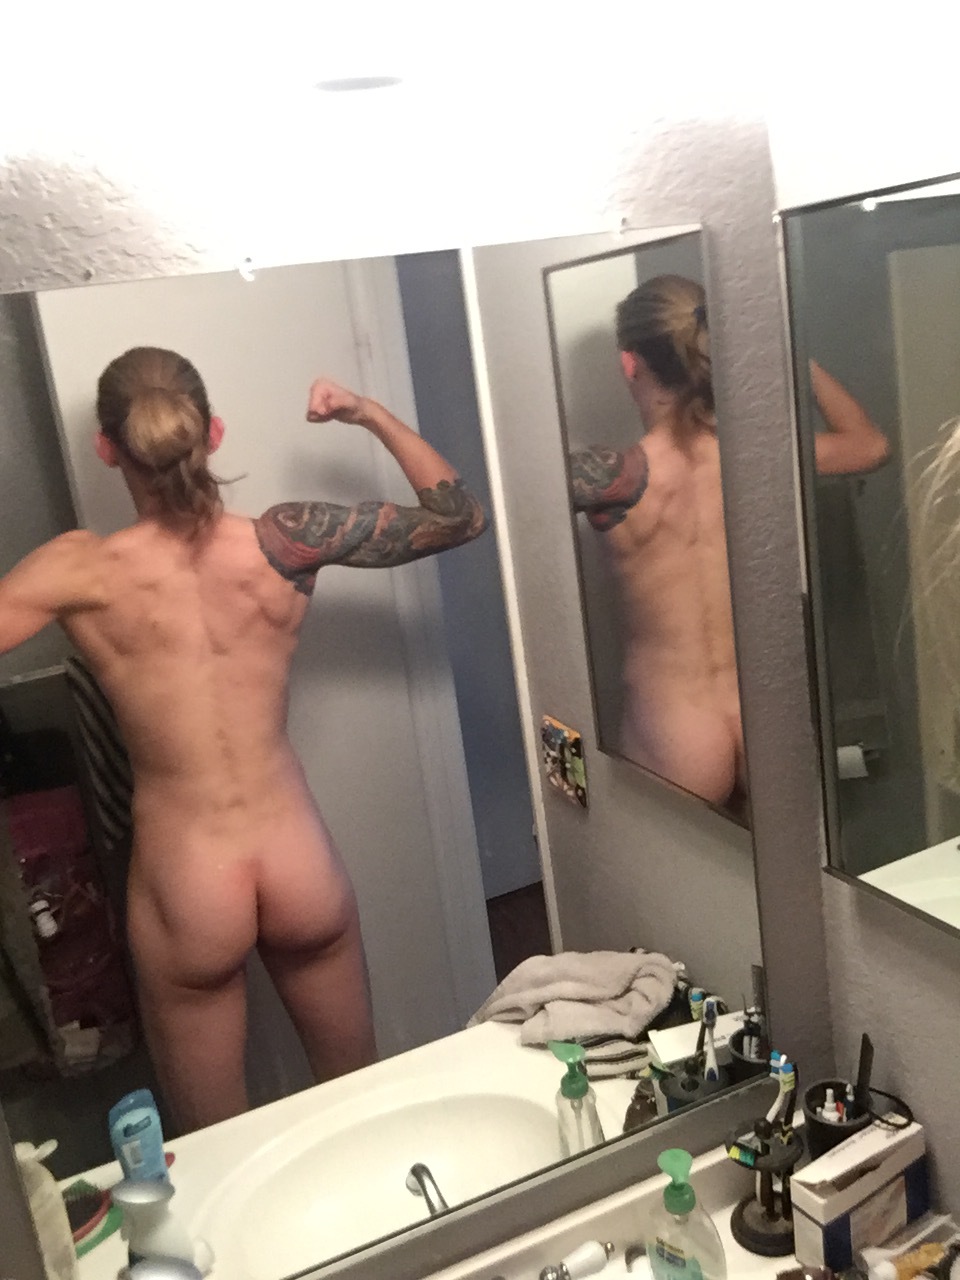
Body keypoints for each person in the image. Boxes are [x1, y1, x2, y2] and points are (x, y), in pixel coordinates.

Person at [0, 347, 487, 1131]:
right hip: (296, 857)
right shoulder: (285, 540)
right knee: (361, 1113)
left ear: (107, 448)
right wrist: (364, 411)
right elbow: (459, 515)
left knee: (218, 1152)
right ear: (213, 433)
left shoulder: (80, 571)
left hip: (188, 876)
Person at [568, 274, 889, 814]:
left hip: (675, 727)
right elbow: (870, 446)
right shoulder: (756, 456)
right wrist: (787, 347)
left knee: (671, 869)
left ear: (629, 363)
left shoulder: (612, 476)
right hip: (760, 720)